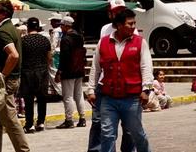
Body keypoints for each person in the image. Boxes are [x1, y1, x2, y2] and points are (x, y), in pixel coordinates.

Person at [86, 8, 153, 152]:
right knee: (107, 134)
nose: (133, 26)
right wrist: (91, 90)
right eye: (130, 23)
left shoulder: (140, 43)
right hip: (108, 98)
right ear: (119, 25)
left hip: (132, 98)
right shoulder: (103, 43)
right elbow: (95, 68)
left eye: (134, 23)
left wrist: (146, 89)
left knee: (136, 134)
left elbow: (146, 67)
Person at [0, 0, 30, 152]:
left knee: (9, 120)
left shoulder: (4, 31)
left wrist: (2, 75)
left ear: (4, 14)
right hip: (4, 80)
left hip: (4, 81)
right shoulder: (9, 28)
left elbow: (14, 55)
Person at [20, 18, 51, 133]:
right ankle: (41, 122)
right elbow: (49, 58)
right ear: (38, 27)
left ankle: (29, 124)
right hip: (42, 71)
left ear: (28, 27)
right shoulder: (45, 40)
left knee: (29, 99)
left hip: (27, 72)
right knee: (42, 98)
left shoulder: (23, 41)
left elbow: (20, 57)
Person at [56, 16, 86, 129]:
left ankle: (69, 120)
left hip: (69, 71)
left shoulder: (66, 39)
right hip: (79, 69)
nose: (61, 27)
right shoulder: (80, 37)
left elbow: (64, 57)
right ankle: (82, 118)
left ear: (65, 26)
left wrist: (59, 72)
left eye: (61, 25)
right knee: (79, 95)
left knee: (68, 96)